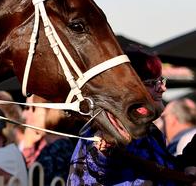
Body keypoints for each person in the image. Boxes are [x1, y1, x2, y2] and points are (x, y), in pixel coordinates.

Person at [67, 48, 183, 185]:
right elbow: (98, 165)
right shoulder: (109, 126)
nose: (163, 88)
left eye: (161, 80)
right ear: (129, 88)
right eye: (153, 83)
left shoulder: (151, 132)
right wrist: (103, 149)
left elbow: (165, 170)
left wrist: (189, 168)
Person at [21, 95, 79, 186]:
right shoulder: (49, 145)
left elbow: (30, 179)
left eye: (33, 108)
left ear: (48, 111)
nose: (24, 115)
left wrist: (27, 148)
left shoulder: (59, 149)